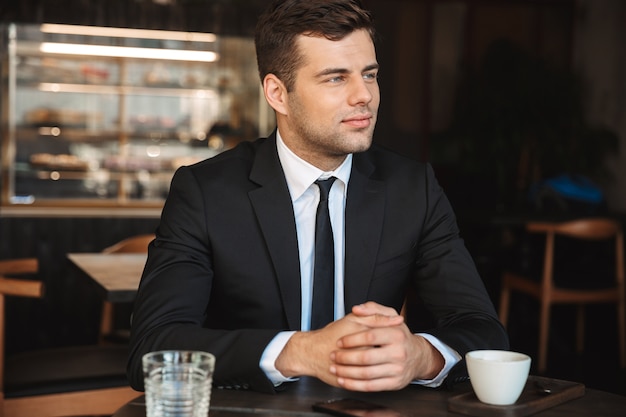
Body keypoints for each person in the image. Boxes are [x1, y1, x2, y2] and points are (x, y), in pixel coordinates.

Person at [127, 0, 509, 394]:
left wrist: (421, 357)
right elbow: (152, 349)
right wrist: (302, 351)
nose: (364, 95)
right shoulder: (206, 192)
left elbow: (483, 331)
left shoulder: (413, 188)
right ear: (277, 94)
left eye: (370, 75)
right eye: (335, 78)